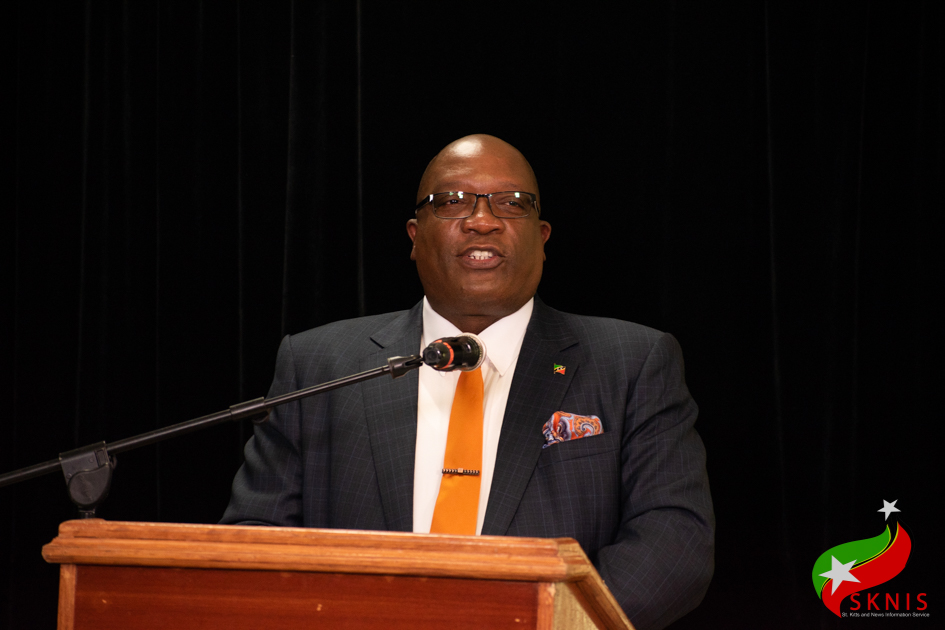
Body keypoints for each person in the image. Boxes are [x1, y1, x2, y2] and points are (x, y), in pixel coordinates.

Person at [222, 134, 714, 630]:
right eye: (452, 201)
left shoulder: (631, 362)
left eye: (512, 203)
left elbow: (675, 540)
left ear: (542, 238)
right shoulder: (320, 364)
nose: (482, 220)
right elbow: (255, 535)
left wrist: (544, 623)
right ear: (415, 236)